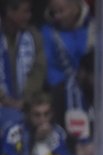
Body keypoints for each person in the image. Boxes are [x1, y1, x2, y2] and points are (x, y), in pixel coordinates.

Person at [0, 0, 47, 130]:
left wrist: (25, 100)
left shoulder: (34, 36)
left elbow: (38, 71)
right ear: (10, 12)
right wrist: (4, 99)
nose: (29, 16)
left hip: (26, 103)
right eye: (25, 11)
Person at [41, 0, 92, 89]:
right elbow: (48, 68)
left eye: (61, 11)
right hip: (60, 90)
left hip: (92, 89)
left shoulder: (93, 29)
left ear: (75, 9)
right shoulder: (47, 33)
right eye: (53, 12)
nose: (57, 16)